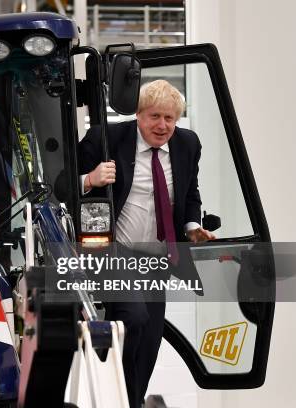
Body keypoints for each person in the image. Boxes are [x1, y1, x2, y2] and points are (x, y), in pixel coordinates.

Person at [78, 80, 214, 407]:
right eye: (155, 116)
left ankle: (130, 402)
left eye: (170, 118)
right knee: (134, 318)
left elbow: (189, 194)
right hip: (113, 254)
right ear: (138, 115)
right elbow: (58, 183)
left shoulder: (187, 144)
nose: (163, 125)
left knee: (150, 344)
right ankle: (119, 398)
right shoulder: (106, 139)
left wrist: (193, 226)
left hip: (156, 260)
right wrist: (90, 180)